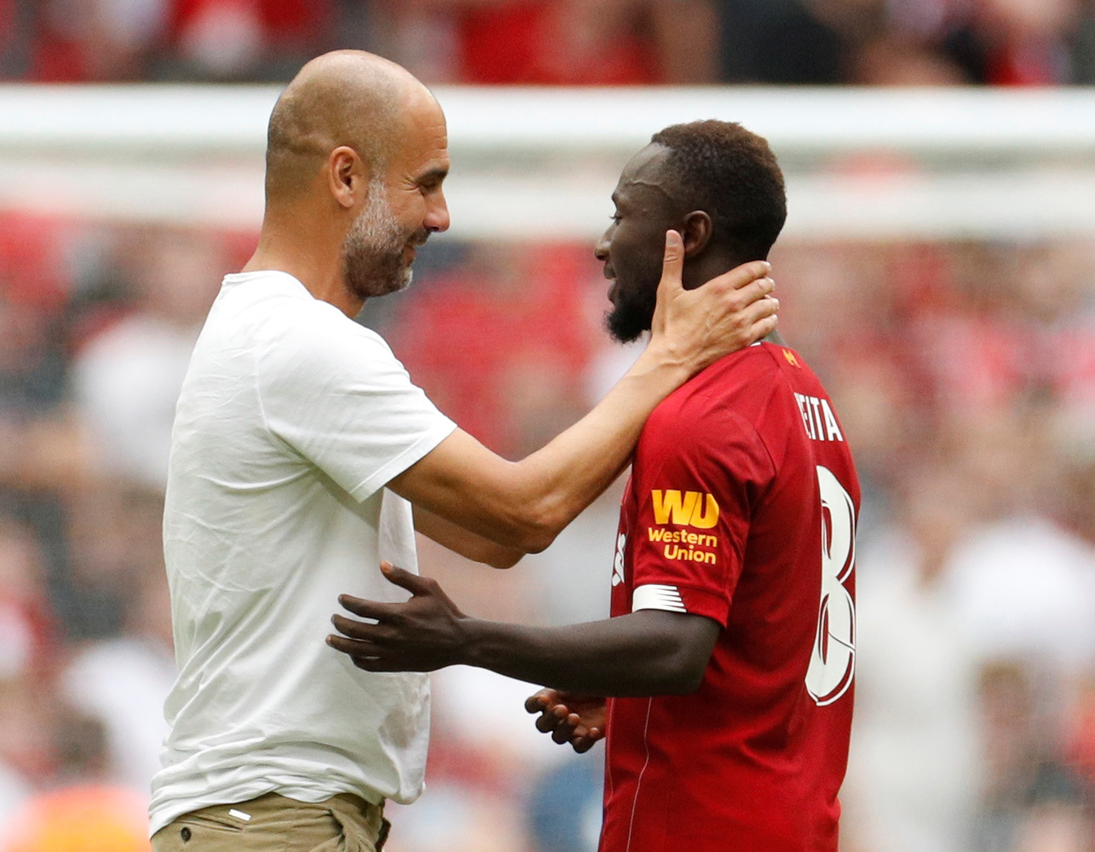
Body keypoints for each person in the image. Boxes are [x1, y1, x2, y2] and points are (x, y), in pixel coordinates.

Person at [149, 51, 779, 852]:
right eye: (427, 183)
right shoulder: (295, 341)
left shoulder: (272, 333)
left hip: (278, 814)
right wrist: (669, 357)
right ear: (345, 177)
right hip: (269, 817)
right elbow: (524, 513)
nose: (442, 216)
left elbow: (492, 538)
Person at [328, 119, 860, 851]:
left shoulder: (701, 417)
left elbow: (674, 648)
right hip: (791, 824)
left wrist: (464, 638)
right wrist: (633, 702)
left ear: (689, 236)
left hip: (700, 831)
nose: (604, 245)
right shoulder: (807, 400)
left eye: (622, 215)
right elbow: (760, 636)